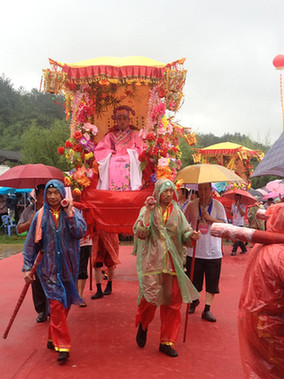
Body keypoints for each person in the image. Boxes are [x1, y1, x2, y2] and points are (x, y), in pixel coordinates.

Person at [133, 178, 200, 357]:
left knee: (172, 303)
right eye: (165, 191)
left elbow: (185, 233)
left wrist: (191, 235)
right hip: (152, 263)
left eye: (171, 191)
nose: (169, 194)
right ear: (157, 192)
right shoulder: (147, 209)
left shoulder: (178, 211)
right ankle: (144, 324)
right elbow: (141, 232)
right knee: (149, 298)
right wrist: (147, 211)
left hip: (172, 264)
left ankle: (167, 341)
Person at [22, 179, 87, 363]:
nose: (51, 197)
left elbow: (80, 232)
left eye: (55, 193)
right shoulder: (40, 216)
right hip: (48, 269)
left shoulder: (73, 212)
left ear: (62, 194)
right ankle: (63, 345)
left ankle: (52, 336)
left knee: (64, 305)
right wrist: (28, 268)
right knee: (57, 305)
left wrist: (70, 215)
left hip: (68, 267)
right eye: (49, 194)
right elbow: (30, 244)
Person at [238, 203, 284, 378]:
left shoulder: (261, 246)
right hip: (273, 328)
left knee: (259, 370)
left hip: (253, 320)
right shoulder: (280, 253)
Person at [185, 182, 227, 322]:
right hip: (195, 251)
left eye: (205, 189)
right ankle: (193, 301)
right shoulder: (191, 205)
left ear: (211, 190)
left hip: (213, 251)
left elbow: (224, 225)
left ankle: (207, 309)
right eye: (200, 189)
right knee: (193, 281)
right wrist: (191, 232)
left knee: (212, 282)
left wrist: (209, 219)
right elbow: (185, 224)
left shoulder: (218, 206)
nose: (203, 192)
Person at [17, 184, 48, 322]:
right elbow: (19, 229)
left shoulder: (52, 210)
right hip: (34, 250)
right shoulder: (29, 210)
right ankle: (41, 310)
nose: (46, 197)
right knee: (36, 283)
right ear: (36, 195)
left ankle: (52, 309)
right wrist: (31, 221)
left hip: (50, 250)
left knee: (52, 280)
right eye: (42, 194)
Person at [94, 105, 144, 191]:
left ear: (129, 120)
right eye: (119, 119)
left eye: (124, 119)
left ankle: (128, 188)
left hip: (130, 158)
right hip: (115, 158)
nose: (122, 121)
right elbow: (101, 149)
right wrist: (110, 152)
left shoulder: (134, 135)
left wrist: (131, 152)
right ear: (116, 121)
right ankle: (113, 188)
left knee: (127, 161)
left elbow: (141, 148)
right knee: (112, 161)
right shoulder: (111, 135)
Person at [91, 230, 120, 299]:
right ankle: (99, 289)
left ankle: (109, 285)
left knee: (110, 264)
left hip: (110, 237)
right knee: (97, 264)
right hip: (99, 238)